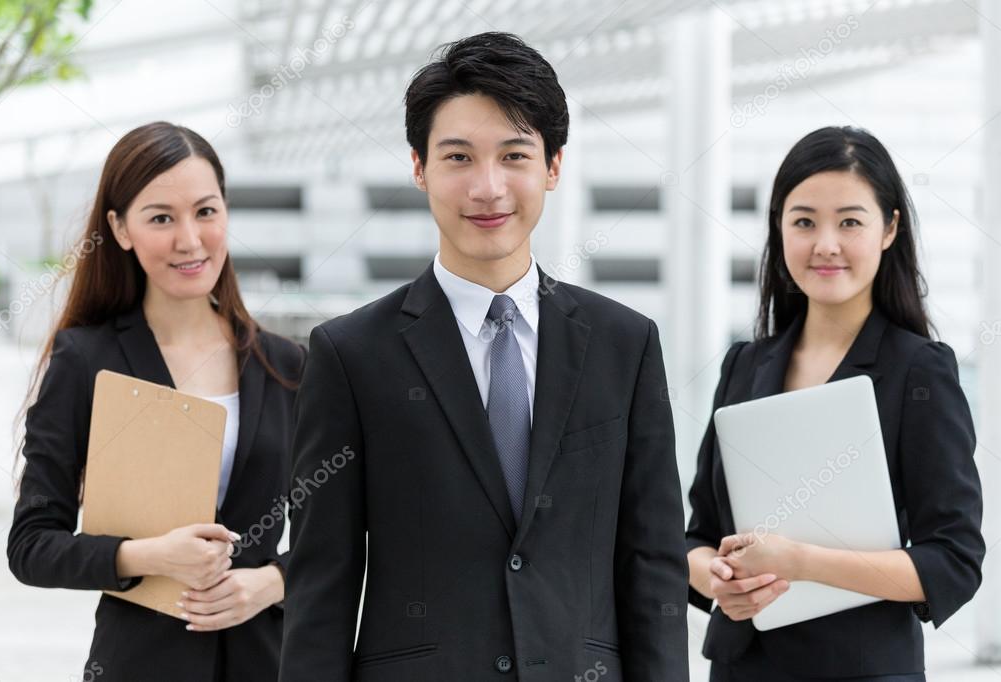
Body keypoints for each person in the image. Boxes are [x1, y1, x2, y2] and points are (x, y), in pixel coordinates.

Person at [280, 32, 689, 681]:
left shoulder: (624, 345)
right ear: (418, 167)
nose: (487, 186)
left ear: (553, 166)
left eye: (513, 155)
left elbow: (652, 563)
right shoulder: (350, 355)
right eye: (458, 157)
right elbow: (320, 583)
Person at [7, 122, 304, 681]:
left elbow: (338, 535)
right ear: (120, 229)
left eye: (206, 212)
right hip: (138, 665)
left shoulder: (286, 365)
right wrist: (144, 556)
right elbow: (30, 546)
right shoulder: (86, 360)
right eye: (161, 217)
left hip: (267, 663)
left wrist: (268, 583)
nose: (190, 240)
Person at [685, 126, 985, 681]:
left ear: (889, 228)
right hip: (745, 668)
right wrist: (720, 580)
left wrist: (800, 564)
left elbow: (954, 562)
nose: (825, 244)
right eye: (803, 222)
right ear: (779, 229)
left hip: (863, 670)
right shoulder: (744, 366)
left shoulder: (919, 372)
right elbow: (697, 538)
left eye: (850, 221)